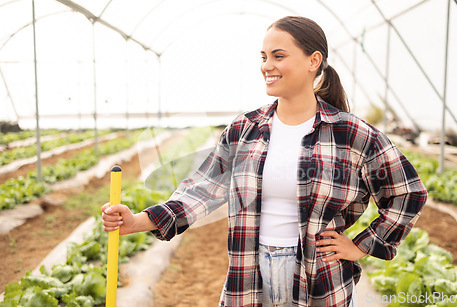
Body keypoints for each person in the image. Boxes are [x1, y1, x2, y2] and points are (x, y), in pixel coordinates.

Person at [101, 16, 427, 307]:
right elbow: (202, 189)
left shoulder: (351, 133)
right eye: (264, 56)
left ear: (314, 61)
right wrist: (139, 221)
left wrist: (362, 245)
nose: (267, 65)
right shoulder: (246, 129)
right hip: (250, 275)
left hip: (320, 278)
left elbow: (408, 192)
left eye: (278, 56)